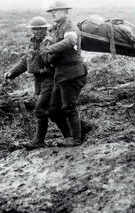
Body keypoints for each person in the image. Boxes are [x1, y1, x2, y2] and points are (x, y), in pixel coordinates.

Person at [40, 0, 88, 147]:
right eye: (52, 11)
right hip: (60, 75)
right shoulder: (56, 28)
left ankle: (76, 138)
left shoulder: (69, 26)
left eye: (57, 11)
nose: (53, 13)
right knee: (53, 110)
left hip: (72, 74)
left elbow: (70, 40)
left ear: (66, 12)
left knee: (68, 107)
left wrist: (50, 49)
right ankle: (71, 135)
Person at [4, 16, 56, 149]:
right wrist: (12, 73)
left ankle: (39, 141)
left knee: (40, 109)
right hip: (40, 80)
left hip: (52, 79)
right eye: (34, 29)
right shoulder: (33, 42)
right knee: (53, 110)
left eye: (39, 29)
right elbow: (25, 60)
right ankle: (76, 131)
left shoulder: (50, 42)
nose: (36, 32)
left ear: (45, 29)